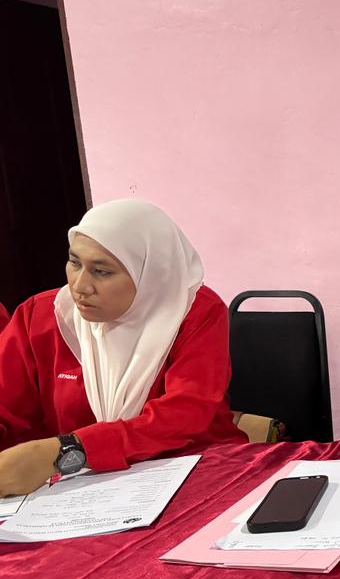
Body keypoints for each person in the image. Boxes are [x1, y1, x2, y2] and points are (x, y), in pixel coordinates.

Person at [0, 200, 246, 496]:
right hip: (85, 487)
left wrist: (71, 450)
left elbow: (185, 413)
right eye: (75, 263)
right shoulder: (39, 317)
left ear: (150, 273)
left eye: (102, 271)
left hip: (198, 468)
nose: (80, 286)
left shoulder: (193, 312)